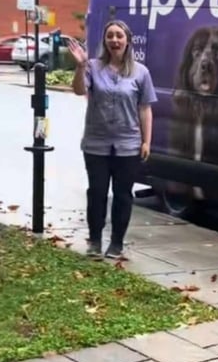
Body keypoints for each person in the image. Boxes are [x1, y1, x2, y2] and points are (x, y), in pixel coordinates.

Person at [67, 20, 157, 259]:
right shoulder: (93, 67)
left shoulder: (141, 72)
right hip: (96, 144)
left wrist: (146, 141)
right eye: (110, 36)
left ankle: (116, 243)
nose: (114, 40)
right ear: (105, 41)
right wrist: (80, 66)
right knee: (96, 193)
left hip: (128, 145)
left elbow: (145, 109)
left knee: (123, 195)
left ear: (128, 41)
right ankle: (95, 241)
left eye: (119, 36)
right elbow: (79, 90)